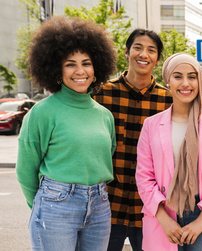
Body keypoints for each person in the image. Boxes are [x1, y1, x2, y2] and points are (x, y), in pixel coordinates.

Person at [16, 16, 117, 250]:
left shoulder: (104, 115)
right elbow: (25, 170)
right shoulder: (42, 112)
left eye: (87, 63)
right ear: (56, 69)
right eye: (70, 63)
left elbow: (105, 154)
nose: (80, 71)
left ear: (97, 67)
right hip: (56, 205)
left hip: (100, 205)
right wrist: (45, 205)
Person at [135, 53, 202, 251]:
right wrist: (163, 219)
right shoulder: (151, 125)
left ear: (199, 80)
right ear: (168, 81)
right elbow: (144, 177)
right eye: (178, 76)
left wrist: (200, 221)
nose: (186, 83)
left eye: (192, 76)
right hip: (164, 212)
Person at [93, 28, 172, 251]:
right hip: (107, 206)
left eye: (151, 50)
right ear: (126, 52)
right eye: (138, 48)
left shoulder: (169, 100)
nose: (143, 54)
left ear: (158, 59)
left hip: (150, 208)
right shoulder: (101, 94)